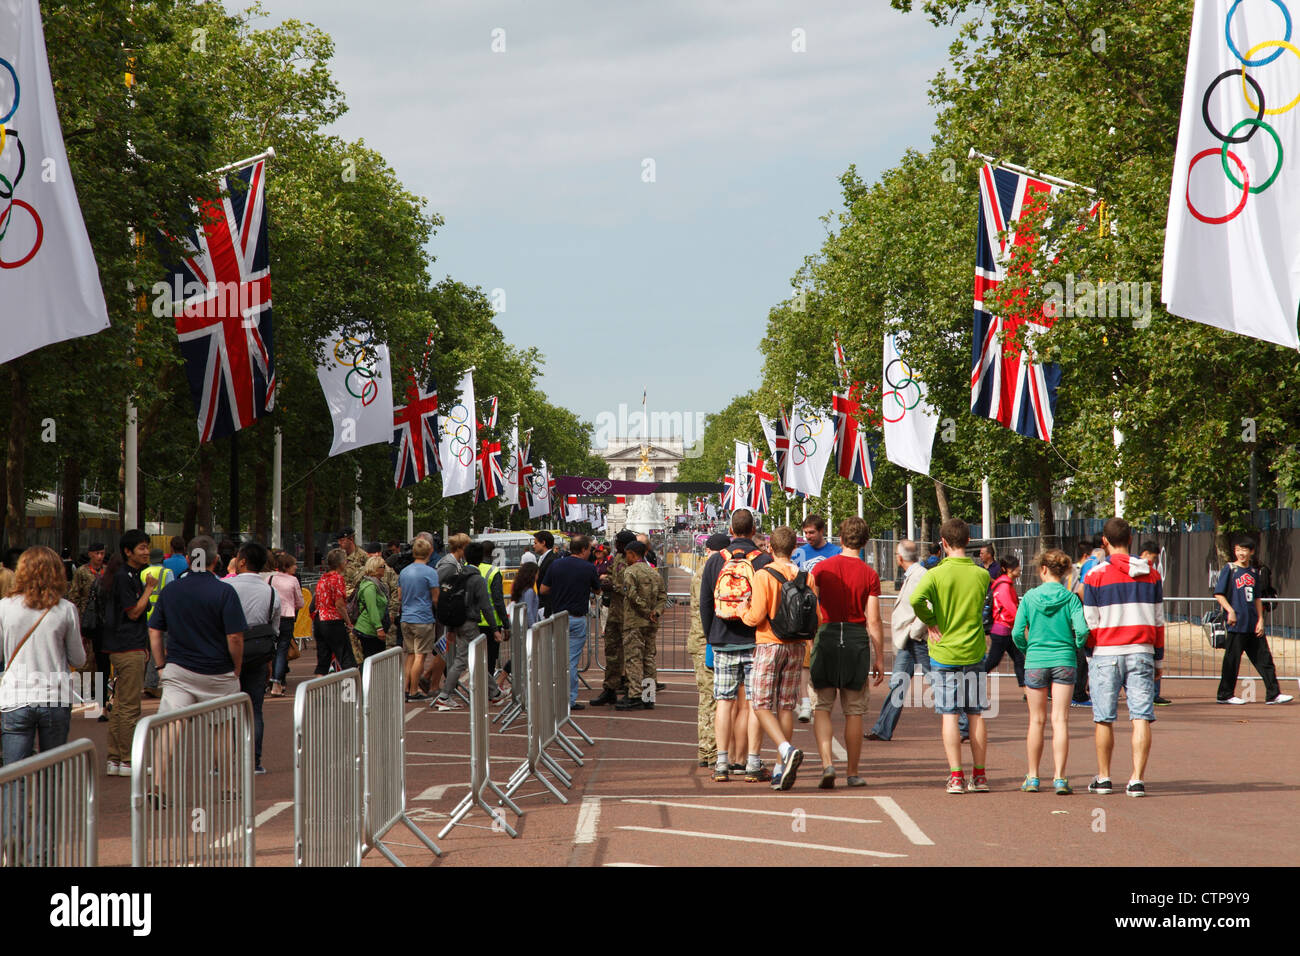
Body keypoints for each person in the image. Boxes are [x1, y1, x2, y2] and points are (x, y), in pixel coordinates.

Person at [1081, 517, 1164, 798]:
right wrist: (1159, 660)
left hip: (1106, 652)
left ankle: (1104, 778)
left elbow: (1090, 622)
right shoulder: (1152, 574)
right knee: (1141, 716)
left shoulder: (1094, 575)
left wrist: (1091, 656)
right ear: (1131, 540)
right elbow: (1158, 621)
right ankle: (1137, 779)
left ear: (1104, 541)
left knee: (1104, 717)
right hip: (1142, 650)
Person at [910, 517, 993, 794]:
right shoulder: (982, 575)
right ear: (968, 542)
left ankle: (956, 776)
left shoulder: (935, 574)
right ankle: (979, 776)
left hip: (944, 650)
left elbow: (915, 600)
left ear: (943, 543)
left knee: (948, 714)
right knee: (976, 714)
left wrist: (931, 620)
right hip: (973, 649)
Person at [868, 540, 968, 742]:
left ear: (900, 557)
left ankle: (963, 726)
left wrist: (914, 631)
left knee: (937, 682)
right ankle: (883, 728)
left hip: (917, 640)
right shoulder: (915, 574)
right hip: (910, 640)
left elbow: (927, 606)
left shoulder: (919, 576)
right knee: (898, 683)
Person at [807, 516, 882, 789]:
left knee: (822, 707)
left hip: (826, 636)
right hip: (855, 639)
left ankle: (827, 763)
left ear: (841, 538)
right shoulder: (869, 574)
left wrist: (810, 642)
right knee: (854, 711)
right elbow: (873, 620)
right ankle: (852, 771)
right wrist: (880, 657)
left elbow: (809, 608)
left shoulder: (822, 569)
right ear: (864, 542)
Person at [700, 509, 772, 782]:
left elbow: (705, 603)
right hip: (755, 639)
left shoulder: (716, 561)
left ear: (731, 531)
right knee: (755, 702)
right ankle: (753, 762)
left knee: (724, 702)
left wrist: (712, 635)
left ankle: (721, 762)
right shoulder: (763, 560)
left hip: (722, 638)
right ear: (753, 530)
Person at [1012, 549, 1090, 795]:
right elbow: (1083, 631)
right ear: (1064, 571)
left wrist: (1028, 649)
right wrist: (1073, 647)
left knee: (1036, 720)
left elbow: (1016, 633)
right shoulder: (1070, 599)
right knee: (1060, 720)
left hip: (1036, 660)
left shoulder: (1030, 597)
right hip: (1064, 660)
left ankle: (1033, 776)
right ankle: (1059, 777)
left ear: (1043, 569)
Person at [740, 525, 810, 790]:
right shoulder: (806, 575)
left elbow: (757, 616)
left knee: (759, 703)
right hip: (796, 645)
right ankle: (781, 768)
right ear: (794, 548)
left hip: (770, 643)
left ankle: (786, 748)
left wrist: (743, 611)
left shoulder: (763, 575)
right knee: (786, 705)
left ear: (770, 547)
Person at [0, 547, 86, 762]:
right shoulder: (66, 609)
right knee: (51, 771)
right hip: (54, 696)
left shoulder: (4, 607)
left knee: (13, 773)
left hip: (16, 695)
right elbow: (79, 659)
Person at [148, 535, 248, 715]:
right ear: (216, 560)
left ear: (188, 559)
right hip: (218, 670)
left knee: (171, 725)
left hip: (179, 669)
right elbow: (234, 637)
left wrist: (160, 666)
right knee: (222, 730)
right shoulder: (225, 591)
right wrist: (237, 668)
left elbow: (155, 630)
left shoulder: (171, 590)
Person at [100, 530, 155, 777]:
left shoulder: (126, 575)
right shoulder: (125, 577)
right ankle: (128, 758)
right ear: (128, 551)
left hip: (119, 645)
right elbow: (133, 612)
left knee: (120, 706)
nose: (146, 552)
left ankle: (115, 758)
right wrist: (149, 589)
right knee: (130, 707)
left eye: (147, 547)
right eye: (141, 547)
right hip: (128, 646)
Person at [1214, 535, 1292, 705]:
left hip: (1252, 624)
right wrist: (1230, 611)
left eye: (1244, 550)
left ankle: (1273, 693)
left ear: (1251, 552)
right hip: (1236, 625)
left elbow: (1257, 598)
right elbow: (1219, 594)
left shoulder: (1254, 572)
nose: (1241, 553)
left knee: (1265, 659)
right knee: (1232, 660)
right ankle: (1225, 694)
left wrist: (1260, 620)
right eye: (1238, 550)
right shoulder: (1230, 569)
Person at [224, 542, 279, 774]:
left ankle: (223, 762)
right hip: (258, 654)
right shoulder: (270, 591)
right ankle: (254, 761)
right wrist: (269, 662)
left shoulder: (225, 586)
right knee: (254, 708)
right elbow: (273, 630)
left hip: (227, 654)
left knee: (226, 711)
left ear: (243, 561)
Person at [432, 538, 498, 710]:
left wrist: (452, 628)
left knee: (464, 659)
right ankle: (445, 695)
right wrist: (495, 629)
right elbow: (486, 606)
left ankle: (494, 692)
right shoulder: (477, 579)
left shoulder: (458, 575)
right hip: (469, 623)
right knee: (468, 659)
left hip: (457, 622)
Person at [540, 535, 602, 711]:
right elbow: (597, 589)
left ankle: (551, 695)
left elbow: (544, 589)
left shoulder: (556, 564)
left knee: (556, 658)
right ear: (583, 550)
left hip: (557, 617)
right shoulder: (588, 567)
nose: (591, 552)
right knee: (571, 661)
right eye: (589, 549)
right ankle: (569, 700)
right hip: (576, 618)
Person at [792, 515, 841, 724]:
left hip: (829, 616)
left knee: (825, 662)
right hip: (806, 616)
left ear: (822, 531)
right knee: (805, 663)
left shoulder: (836, 553)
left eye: (812, 532)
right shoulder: (800, 553)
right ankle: (805, 702)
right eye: (805, 533)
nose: (808, 536)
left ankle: (820, 701)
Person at [687, 534, 727, 768]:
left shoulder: (704, 570)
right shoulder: (708, 572)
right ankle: (710, 750)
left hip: (703, 640)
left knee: (710, 697)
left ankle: (709, 749)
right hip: (706, 642)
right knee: (711, 698)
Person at [617, 541, 665, 711]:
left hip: (635, 621)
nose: (626, 558)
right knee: (649, 658)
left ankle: (635, 694)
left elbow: (631, 595)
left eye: (627, 554)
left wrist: (645, 611)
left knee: (633, 658)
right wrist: (655, 612)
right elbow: (662, 596)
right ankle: (649, 696)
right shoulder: (654, 573)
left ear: (632, 554)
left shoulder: (630, 572)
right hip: (652, 622)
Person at [591, 530, 635, 706]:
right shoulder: (617, 558)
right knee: (611, 652)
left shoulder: (634, 561)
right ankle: (610, 688)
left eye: (618, 543)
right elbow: (611, 573)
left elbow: (632, 586)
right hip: (615, 612)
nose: (615, 545)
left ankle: (632, 691)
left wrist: (614, 586)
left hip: (630, 614)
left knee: (631, 654)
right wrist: (606, 580)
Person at [398, 537, 439, 701]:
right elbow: (436, 598)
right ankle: (414, 690)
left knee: (410, 655)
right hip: (423, 617)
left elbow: (400, 596)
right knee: (420, 656)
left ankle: (406, 688)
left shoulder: (404, 571)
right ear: (429, 551)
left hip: (406, 617)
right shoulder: (430, 572)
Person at [985, 554, 1026, 693]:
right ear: (1007, 569)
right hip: (1002, 630)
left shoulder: (1006, 584)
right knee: (993, 661)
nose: (1019, 569)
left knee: (1019, 659)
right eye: (1015, 566)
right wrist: (1025, 621)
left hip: (1006, 629)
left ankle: (1027, 689)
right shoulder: (1004, 587)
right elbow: (1011, 608)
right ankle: (972, 681)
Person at [68, 542, 108, 684]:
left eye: (102, 553)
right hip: (86, 619)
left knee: (100, 658)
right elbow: (74, 596)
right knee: (86, 657)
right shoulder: (82, 572)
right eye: (97, 553)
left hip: (102, 620)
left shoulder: (107, 571)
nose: (100, 557)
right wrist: (78, 618)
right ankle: (84, 690)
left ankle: (97, 690)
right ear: (90, 554)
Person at [1138, 541, 1171, 706]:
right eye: (1153, 556)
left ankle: (1152, 694)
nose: (1154, 560)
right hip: (1149, 627)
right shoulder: (1152, 575)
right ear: (1145, 553)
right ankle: (1153, 694)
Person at [312, 549, 355, 674]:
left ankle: (318, 689)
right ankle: (351, 689)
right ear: (341, 563)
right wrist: (348, 622)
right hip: (333, 621)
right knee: (346, 657)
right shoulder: (337, 578)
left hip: (319, 620)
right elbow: (339, 604)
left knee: (323, 661)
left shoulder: (323, 578)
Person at [268, 552, 304, 697]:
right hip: (287, 617)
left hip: (271, 617)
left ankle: (270, 680)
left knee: (272, 649)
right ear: (286, 566)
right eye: (294, 564)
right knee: (283, 649)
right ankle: (277, 681)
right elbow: (300, 602)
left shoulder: (270, 579)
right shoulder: (293, 580)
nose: (296, 567)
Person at [351, 555, 391, 660]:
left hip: (372, 629)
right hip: (368, 629)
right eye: (383, 566)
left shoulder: (377, 584)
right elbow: (372, 608)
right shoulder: (370, 586)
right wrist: (379, 628)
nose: (385, 569)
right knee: (372, 659)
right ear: (376, 568)